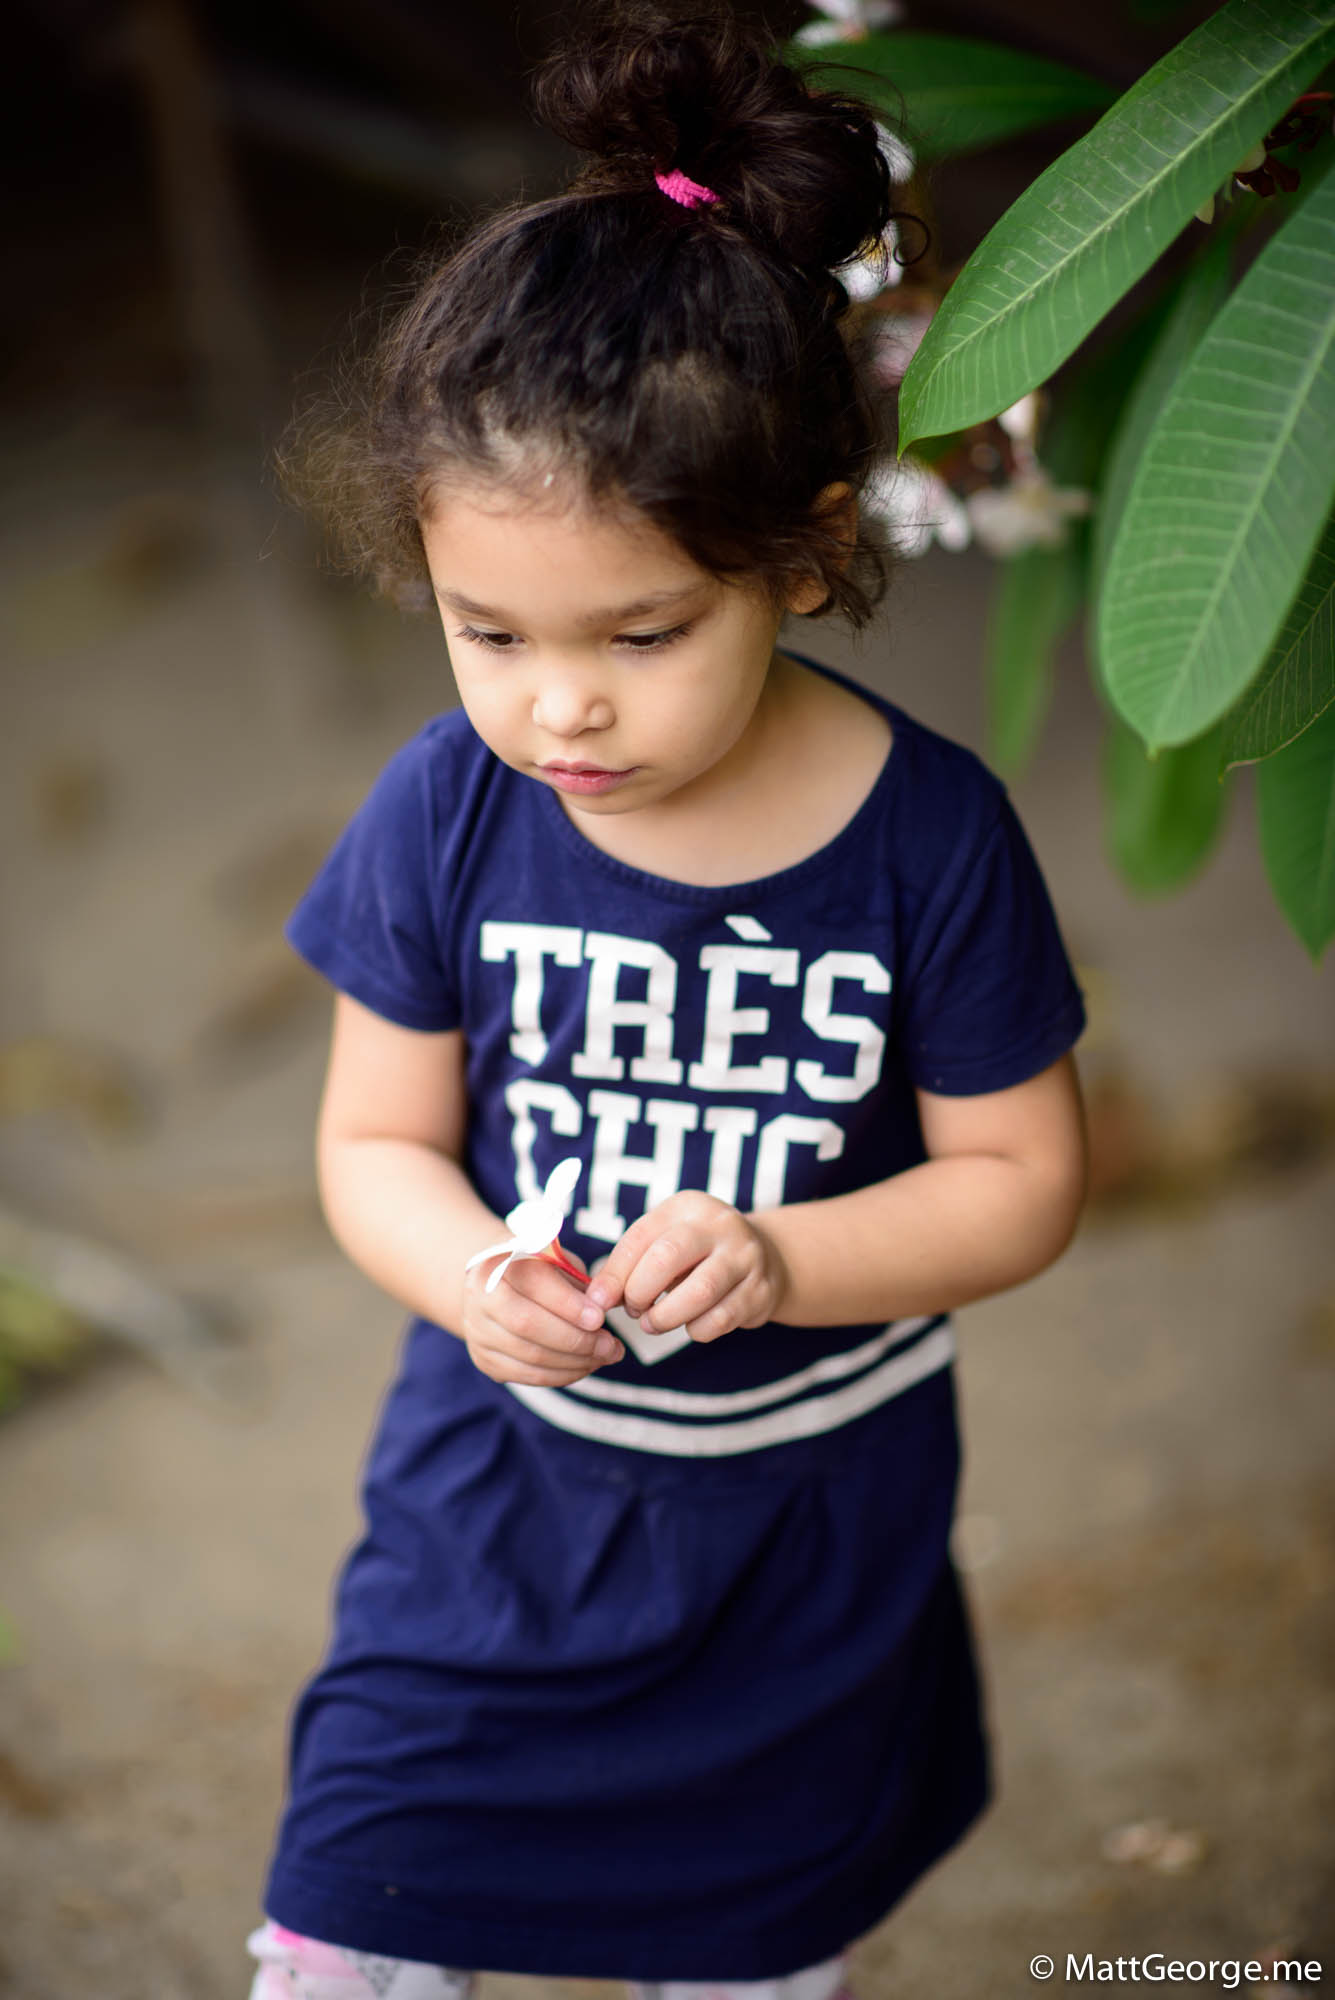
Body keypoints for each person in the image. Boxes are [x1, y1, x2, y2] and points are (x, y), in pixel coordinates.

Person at [246, 4, 1090, 1995]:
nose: (560, 705)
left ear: (801, 559)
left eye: (641, 631)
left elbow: (1018, 1180)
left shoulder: (926, 841)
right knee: (343, 1921)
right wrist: (464, 1273)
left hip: (797, 1546)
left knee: (733, 1951)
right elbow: (373, 1139)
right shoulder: (448, 806)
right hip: (484, 1504)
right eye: (489, 632)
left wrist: (785, 1255)